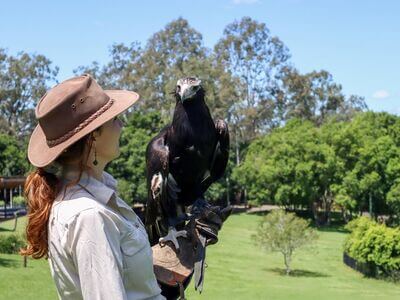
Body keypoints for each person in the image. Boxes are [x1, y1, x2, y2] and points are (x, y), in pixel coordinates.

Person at [20, 74, 225, 300]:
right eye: (115, 118)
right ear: (94, 136)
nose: (121, 125)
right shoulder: (90, 216)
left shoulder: (99, 197)